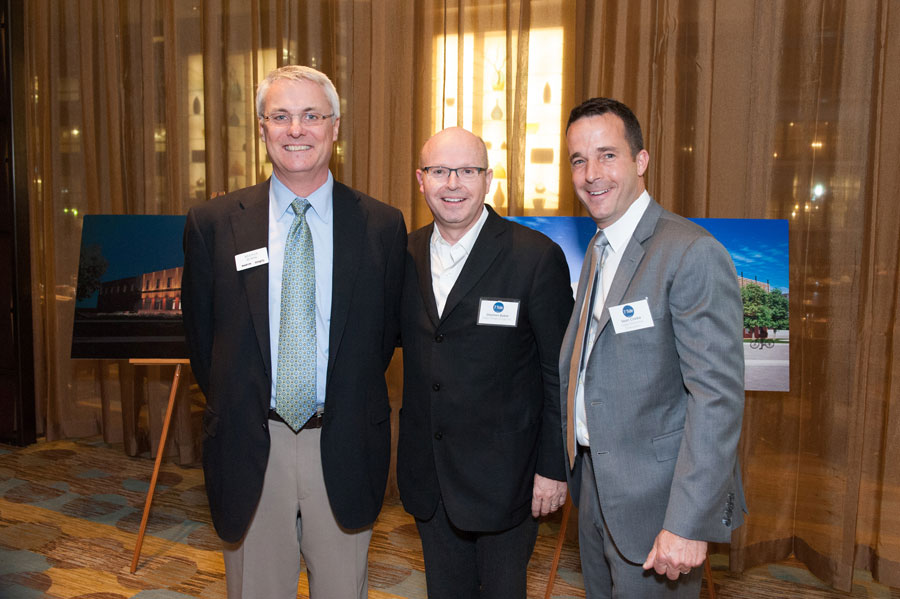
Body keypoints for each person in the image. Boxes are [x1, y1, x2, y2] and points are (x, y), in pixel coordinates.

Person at [181, 65, 406, 598]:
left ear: (335, 128)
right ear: (262, 130)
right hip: (253, 441)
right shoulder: (213, 223)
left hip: (343, 438)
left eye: (311, 115)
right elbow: (202, 340)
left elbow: (383, 339)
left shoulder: (382, 225)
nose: (295, 129)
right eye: (280, 117)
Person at [559, 97, 746, 598]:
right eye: (578, 160)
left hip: (660, 504)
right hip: (598, 486)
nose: (591, 173)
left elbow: (716, 398)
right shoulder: (598, 252)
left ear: (641, 162)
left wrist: (688, 522)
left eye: (607, 155)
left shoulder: (690, 252)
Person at [397, 127, 573, 598]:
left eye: (467, 171)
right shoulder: (403, 254)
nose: (452, 183)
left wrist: (554, 468)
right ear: (420, 179)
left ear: (488, 178)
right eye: (439, 171)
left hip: (508, 479)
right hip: (430, 476)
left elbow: (561, 373)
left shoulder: (536, 258)